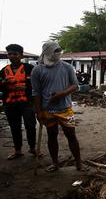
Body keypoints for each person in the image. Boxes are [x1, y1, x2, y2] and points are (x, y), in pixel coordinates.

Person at [31, 42, 83, 172]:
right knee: (51, 136)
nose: (59, 53)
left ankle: (79, 163)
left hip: (66, 109)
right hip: (47, 110)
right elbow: (36, 92)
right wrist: (38, 112)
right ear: (47, 52)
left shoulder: (67, 67)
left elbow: (75, 86)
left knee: (71, 135)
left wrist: (62, 93)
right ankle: (55, 164)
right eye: (55, 51)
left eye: (59, 50)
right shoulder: (37, 70)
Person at [0, 44, 37, 160]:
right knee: (14, 127)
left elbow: (37, 85)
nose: (12, 56)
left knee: (30, 126)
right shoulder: (4, 70)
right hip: (10, 103)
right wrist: (5, 83)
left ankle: (32, 148)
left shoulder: (29, 68)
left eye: (15, 54)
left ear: (21, 55)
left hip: (27, 103)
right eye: (9, 54)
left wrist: (27, 88)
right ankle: (18, 150)